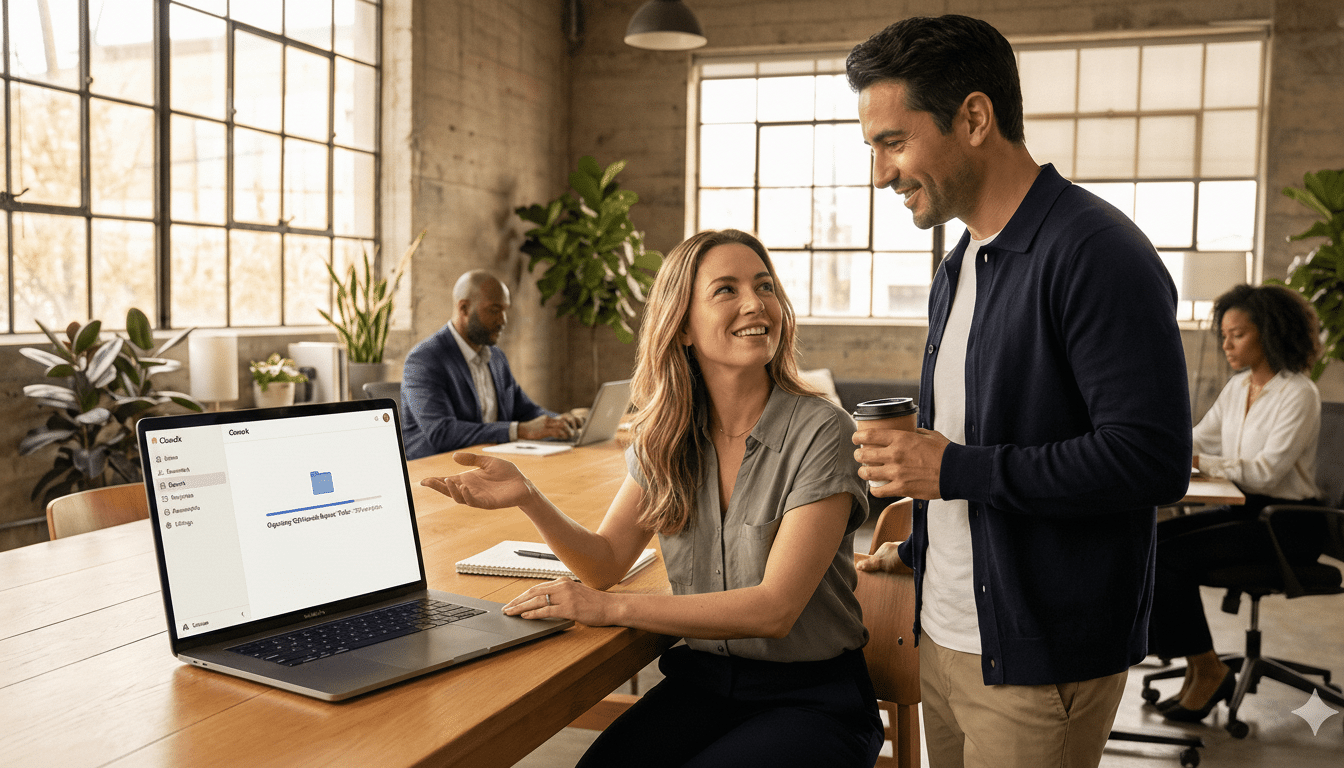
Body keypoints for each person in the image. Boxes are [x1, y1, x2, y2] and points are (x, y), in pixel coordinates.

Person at [846, 15, 1191, 768]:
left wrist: (953, 472)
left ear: (974, 117)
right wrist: (923, 545)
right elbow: (985, 441)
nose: (880, 174)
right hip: (943, 638)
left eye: (892, 142)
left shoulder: (1098, 253)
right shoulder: (961, 261)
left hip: (1040, 662)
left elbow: (1151, 461)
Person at [421, 230, 883, 767]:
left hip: (813, 699)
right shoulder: (666, 436)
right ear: (682, 326)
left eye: (764, 286)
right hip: (705, 685)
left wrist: (612, 609)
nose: (756, 303)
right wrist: (529, 496)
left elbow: (773, 609)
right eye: (726, 290)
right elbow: (605, 562)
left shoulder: (822, 432)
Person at [1149, 283, 1322, 723]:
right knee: (1148, 542)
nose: (1226, 343)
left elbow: (1266, 471)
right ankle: (1199, 664)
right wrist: (1152, 447)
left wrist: (1200, 460)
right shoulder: (1238, 386)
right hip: (1244, 511)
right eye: (1223, 333)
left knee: (1169, 559)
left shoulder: (1299, 393)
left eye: (1238, 334)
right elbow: (1195, 440)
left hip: (1287, 524)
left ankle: (1207, 670)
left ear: (1269, 333)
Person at [401, 270, 584, 459]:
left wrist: (560, 421)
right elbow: (442, 432)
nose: (503, 320)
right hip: (435, 470)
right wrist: (519, 431)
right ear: (464, 308)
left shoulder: (495, 356)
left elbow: (526, 410)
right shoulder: (423, 360)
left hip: (490, 463)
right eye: (495, 310)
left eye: (505, 310)